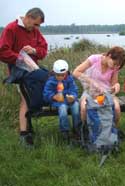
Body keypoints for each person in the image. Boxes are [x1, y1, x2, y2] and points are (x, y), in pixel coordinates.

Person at [0, 8, 48, 146]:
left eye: (38, 25)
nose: (37, 28)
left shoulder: (34, 31)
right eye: (36, 24)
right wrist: (21, 58)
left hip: (33, 71)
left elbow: (43, 50)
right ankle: (24, 134)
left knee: (46, 79)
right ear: (28, 17)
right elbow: (2, 52)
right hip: (17, 71)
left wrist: (34, 51)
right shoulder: (11, 29)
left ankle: (28, 130)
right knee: (26, 100)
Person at [72, 46, 125, 127]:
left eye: (117, 66)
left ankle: (113, 130)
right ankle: (85, 130)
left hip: (106, 93)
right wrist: (92, 82)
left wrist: (116, 86)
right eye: (114, 64)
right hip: (90, 92)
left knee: (117, 108)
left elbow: (114, 83)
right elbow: (76, 72)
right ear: (109, 55)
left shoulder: (115, 68)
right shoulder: (94, 59)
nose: (115, 67)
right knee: (83, 108)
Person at [43, 60, 81, 142]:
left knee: (76, 107)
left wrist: (73, 96)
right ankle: (65, 132)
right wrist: (53, 97)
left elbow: (74, 90)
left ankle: (77, 130)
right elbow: (46, 94)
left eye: (63, 75)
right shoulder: (50, 81)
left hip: (69, 101)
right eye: (58, 75)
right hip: (58, 103)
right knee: (63, 109)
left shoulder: (69, 79)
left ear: (66, 73)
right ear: (54, 72)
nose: (60, 77)